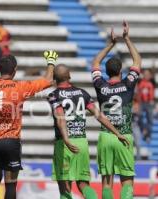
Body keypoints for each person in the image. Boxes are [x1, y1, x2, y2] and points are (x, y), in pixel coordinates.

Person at [0, 30, 55, 199]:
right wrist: (51, 60)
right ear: (14, 71)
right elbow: (49, 80)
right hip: (11, 141)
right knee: (11, 183)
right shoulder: (21, 87)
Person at [48, 65, 129, 199]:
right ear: (69, 76)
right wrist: (117, 133)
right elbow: (99, 115)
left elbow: (60, 118)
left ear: (54, 78)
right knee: (83, 184)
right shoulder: (82, 93)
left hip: (64, 143)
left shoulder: (53, 95)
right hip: (82, 143)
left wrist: (66, 139)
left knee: (64, 188)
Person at [92, 21, 141, 199]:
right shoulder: (128, 84)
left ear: (106, 71)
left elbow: (95, 62)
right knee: (127, 180)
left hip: (106, 136)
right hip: (124, 136)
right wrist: (126, 39)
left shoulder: (100, 85)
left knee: (107, 181)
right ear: (121, 70)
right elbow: (137, 61)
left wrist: (110, 45)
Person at [137, 69, 155, 142]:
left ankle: (148, 135)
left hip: (149, 103)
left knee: (150, 120)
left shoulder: (152, 83)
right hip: (141, 102)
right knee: (139, 116)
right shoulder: (140, 82)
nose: (146, 75)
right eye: (145, 74)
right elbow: (138, 93)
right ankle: (143, 131)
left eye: (148, 74)